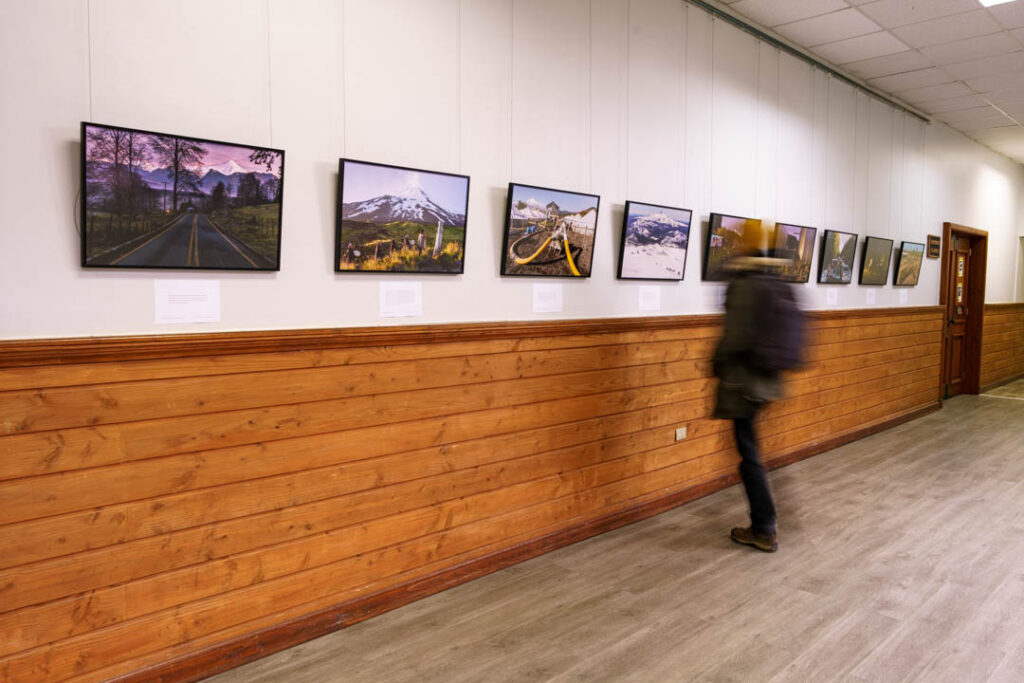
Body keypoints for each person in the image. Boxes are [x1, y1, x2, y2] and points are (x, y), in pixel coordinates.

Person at [712, 222, 789, 553]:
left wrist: (715, 363)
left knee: (749, 456)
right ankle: (768, 518)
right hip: (767, 380)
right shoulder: (775, 280)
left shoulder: (745, 283)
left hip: (743, 381)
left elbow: (736, 336)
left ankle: (764, 527)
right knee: (752, 450)